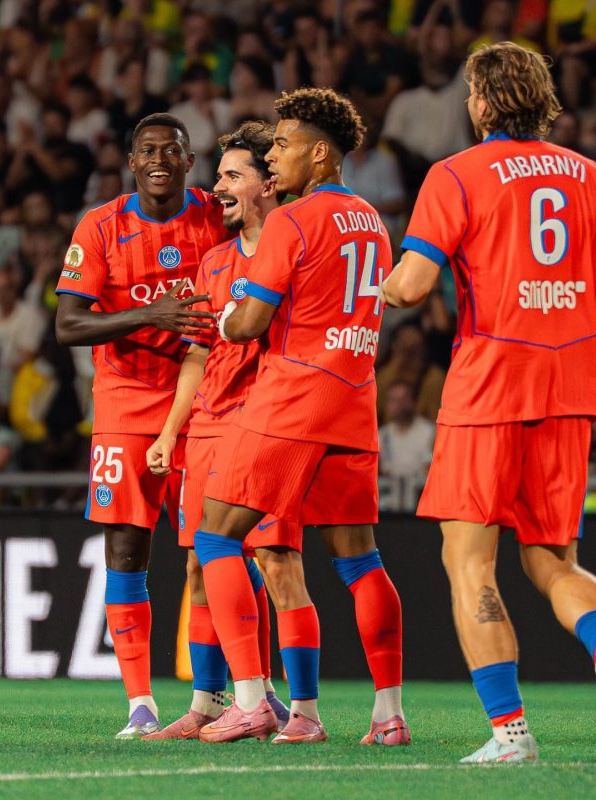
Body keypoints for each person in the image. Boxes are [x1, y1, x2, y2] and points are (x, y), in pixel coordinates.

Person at [381, 41, 596, 764]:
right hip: (567, 391)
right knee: (553, 559)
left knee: (470, 561)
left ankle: (510, 732)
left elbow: (409, 287)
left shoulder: (457, 173)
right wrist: (560, 310)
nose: (468, 101)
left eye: (472, 90)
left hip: (490, 383)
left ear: (487, 102)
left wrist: (366, 280)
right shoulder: (591, 176)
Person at [192, 88, 408, 746]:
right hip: (353, 398)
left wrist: (226, 311)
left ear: (320, 153)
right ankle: (387, 715)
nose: (275, 154)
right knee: (359, 560)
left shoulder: (291, 219)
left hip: (293, 394)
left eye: (284, 144)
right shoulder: (372, 219)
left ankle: (254, 700)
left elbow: (250, 321)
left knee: (215, 535)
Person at [55, 113, 229, 738]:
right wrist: (146, 313)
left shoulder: (216, 213)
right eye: (147, 150)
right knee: (127, 549)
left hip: (206, 395)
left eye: (172, 150)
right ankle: (139, 704)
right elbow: (67, 325)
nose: (160, 159)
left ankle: (216, 697)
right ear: (132, 162)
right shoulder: (101, 226)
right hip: (126, 401)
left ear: (189, 159)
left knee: (212, 550)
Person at [143, 122, 295, 739]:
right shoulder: (214, 261)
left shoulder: (292, 249)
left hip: (265, 423)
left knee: (271, 560)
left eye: (232, 175)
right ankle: (211, 701)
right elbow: (198, 355)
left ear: (268, 183)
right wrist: (168, 431)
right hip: (207, 425)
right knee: (200, 567)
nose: (217, 187)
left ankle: (279, 702)